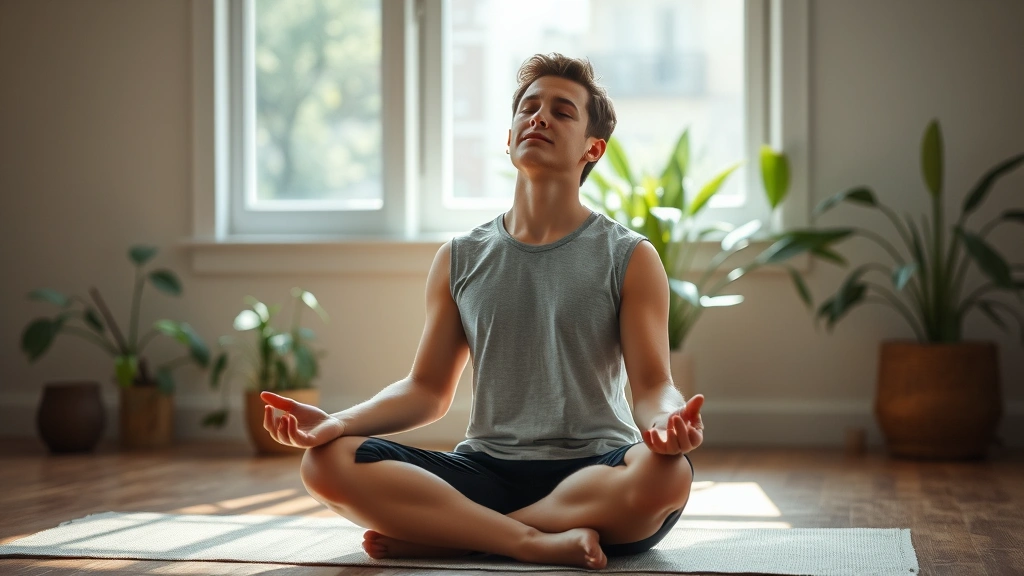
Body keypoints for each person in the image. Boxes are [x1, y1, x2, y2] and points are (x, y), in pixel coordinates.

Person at [260, 53, 705, 571]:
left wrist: (669, 424)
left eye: (562, 111)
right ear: (510, 134)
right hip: (486, 471)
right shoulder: (460, 256)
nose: (538, 117)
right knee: (326, 463)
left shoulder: (630, 256)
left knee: (667, 475)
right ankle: (528, 541)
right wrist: (336, 422)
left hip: (596, 470)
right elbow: (426, 390)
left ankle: (460, 534)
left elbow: (652, 387)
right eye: (529, 107)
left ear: (592, 147)